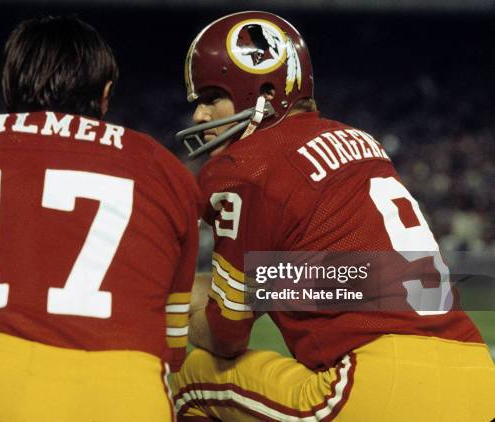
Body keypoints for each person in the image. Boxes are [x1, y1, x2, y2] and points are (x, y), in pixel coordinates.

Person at [171, 11, 494, 422]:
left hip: (376, 387)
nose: (199, 116)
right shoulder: (362, 143)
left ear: (265, 92)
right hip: (476, 376)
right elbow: (338, 278)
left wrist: (175, 305)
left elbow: (228, 335)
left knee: (188, 378)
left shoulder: (245, 166)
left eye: (211, 96)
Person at [0, 15, 200, 421]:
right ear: (105, 94)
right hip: (122, 399)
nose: (200, 116)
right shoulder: (166, 169)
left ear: (9, 85)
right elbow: (172, 348)